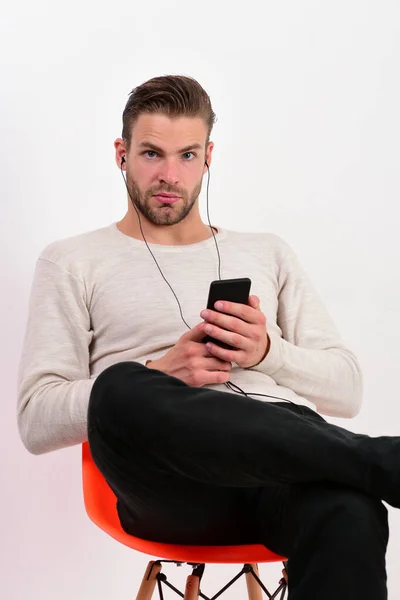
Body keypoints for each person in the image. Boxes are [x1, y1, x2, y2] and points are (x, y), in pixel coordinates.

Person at [17, 75, 396, 600]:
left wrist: (269, 353)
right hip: (169, 481)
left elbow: (348, 389)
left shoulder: (268, 251)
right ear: (121, 154)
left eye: (188, 155)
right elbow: (36, 418)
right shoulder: (72, 261)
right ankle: (382, 463)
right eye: (152, 154)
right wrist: (160, 375)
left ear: (209, 156)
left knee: (352, 509)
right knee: (119, 387)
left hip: (285, 467)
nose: (170, 175)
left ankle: (369, 469)